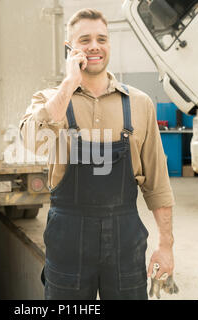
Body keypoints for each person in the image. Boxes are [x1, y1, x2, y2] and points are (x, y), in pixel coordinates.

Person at [19, 8, 176, 300]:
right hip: (68, 236)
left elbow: (157, 183)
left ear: (109, 46)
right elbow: (31, 141)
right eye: (84, 40)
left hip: (125, 236)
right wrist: (69, 83)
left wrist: (166, 245)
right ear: (70, 49)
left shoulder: (140, 104)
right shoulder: (48, 99)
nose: (94, 46)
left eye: (101, 39)